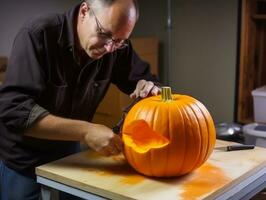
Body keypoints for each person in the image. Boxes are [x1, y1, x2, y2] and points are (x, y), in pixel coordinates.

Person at [0, 0, 161, 199]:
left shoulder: (116, 46)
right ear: (85, 11)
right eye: (104, 34)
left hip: (70, 152)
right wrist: (86, 131)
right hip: (24, 159)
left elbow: (149, 81)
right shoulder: (38, 33)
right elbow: (14, 111)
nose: (110, 48)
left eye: (120, 41)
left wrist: (150, 88)